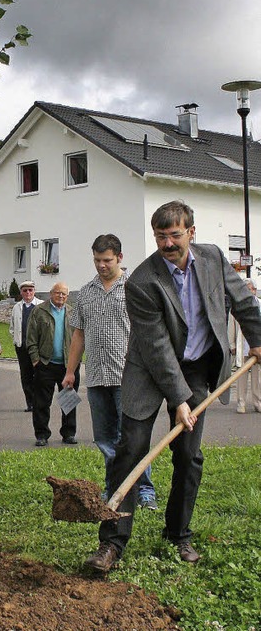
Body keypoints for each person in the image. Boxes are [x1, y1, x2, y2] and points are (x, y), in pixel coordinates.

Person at [84, 201, 261, 573]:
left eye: (175, 235)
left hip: (198, 367)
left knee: (189, 454)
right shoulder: (144, 281)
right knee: (129, 448)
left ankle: (178, 533)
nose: (167, 243)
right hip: (148, 369)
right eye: (161, 236)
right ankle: (112, 542)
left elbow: (243, 302)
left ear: (191, 233)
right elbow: (157, 346)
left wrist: (256, 339)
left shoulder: (212, 258)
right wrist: (179, 399)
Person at [63, 234, 157, 509]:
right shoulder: (86, 292)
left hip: (129, 378)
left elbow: (147, 332)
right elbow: (78, 335)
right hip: (96, 378)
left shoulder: (135, 288)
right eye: (97, 260)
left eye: (107, 260)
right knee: (104, 439)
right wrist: (70, 371)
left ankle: (144, 491)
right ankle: (114, 487)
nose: (101, 265)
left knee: (132, 439)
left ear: (120, 258)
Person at [26, 282, 79, 445]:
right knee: (42, 402)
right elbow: (31, 339)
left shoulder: (72, 312)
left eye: (64, 294)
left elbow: (80, 337)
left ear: (67, 296)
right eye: (58, 293)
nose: (61, 296)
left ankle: (68, 433)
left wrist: (75, 361)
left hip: (68, 366)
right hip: (46, 364)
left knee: (69, 401)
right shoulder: (39, 311)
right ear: (51, 294)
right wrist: (36, 361)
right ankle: (42, 435)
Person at [228, 278, 261, 413]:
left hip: (258, 348)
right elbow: (231, 327)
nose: (248, 292)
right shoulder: (238, 306)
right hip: (243, 347)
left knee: (257, 378)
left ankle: (258, 402)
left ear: (254, 290)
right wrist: (232, 344)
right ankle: (241, 403)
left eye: (250, 289)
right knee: (241, 376)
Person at [9, 280, 43, 411]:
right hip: (22, 348)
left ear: (34, 291)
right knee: (26, 376)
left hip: (38, 348)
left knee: (39, 375)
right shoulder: (17, 307)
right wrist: (17, 341)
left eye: (30, 290)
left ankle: (40, 402)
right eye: (25, 290)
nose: (28, 293)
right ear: (21, 292)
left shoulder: (41, 305)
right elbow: (12, 327)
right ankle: (30, 403)